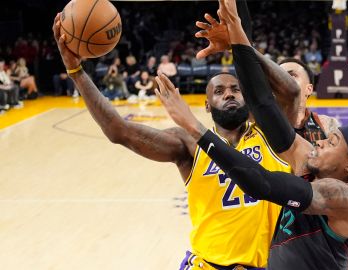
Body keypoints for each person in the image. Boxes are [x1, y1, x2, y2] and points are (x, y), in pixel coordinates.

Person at [52, 13, 306, 269]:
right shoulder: (189, 145)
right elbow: (119, 130)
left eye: (235, 89)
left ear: (248, 97)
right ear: (207, 105)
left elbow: (291, 93)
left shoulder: (272, 137)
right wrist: (76, 72)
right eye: (219, 91)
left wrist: (240, 45)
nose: (228, 94)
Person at [158, 1, 348, 269]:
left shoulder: (339, 194)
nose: (320, 140)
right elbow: (262, 101)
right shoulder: (305, 155)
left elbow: (260, 183)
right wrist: (237, 34)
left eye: (331, 141)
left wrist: (195, 127)